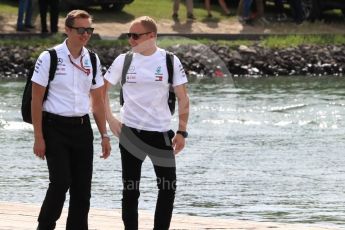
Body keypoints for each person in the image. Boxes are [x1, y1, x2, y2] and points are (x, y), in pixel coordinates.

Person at [103, 16, 190, 230]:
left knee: (167, 187)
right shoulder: (124, 60)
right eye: (129, 35)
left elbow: (183, 97)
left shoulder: (170, 60)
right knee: (131, 190)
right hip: (130, 133)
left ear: (151, 36)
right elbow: (100, 91)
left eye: (135, 35)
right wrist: (110, 118)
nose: (131, 40)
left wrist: (182, 132)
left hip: (160, 134)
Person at [31, 9, 111, 229]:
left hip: (82, 129)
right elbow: (36, 100)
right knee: (60, 182)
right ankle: (45, 226)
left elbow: (97, 102)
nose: (85, 34)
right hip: (54, 127)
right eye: (80, 30)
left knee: (82, 189)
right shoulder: (49, 57)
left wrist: (104, 135)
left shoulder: (93, 59)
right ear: (67, 30)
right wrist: (38, 137)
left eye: (89, 30)